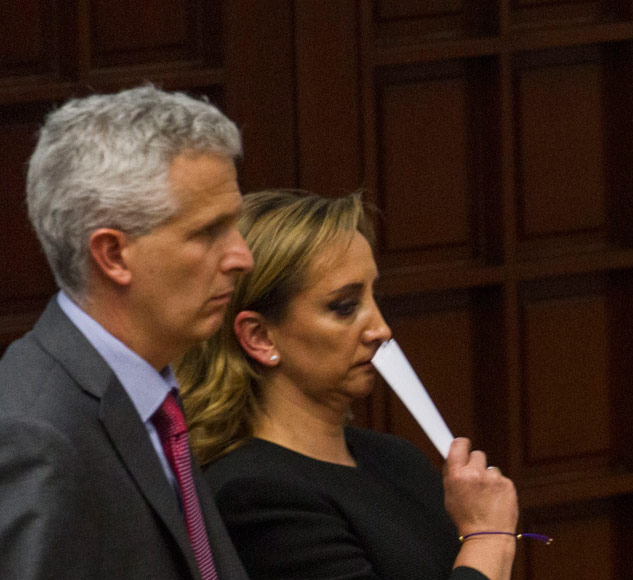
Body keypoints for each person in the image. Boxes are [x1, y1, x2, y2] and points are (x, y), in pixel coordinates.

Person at [177, 190, 523, 580]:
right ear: (260, 337)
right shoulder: (254, 494)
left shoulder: (398, 459)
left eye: (374, 297)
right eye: (345, 307)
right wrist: (488, 537)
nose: (381, 330)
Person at [0, 86, 252, 579]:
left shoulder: (151, 395)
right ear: (113, 255)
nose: (243, 256)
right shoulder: (37, 438)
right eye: (208, 232)